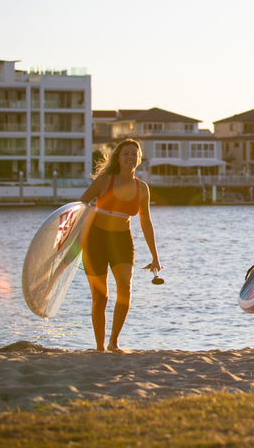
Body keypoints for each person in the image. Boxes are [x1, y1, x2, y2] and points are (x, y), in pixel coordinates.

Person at [78, 139, 161, 352]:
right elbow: (80, 206)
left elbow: (145, 222)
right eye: (126, 153)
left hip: (122, 241)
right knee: (100, 296)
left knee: (125, 289)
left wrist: (155, 256)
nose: (130, 157)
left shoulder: (142, 188)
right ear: (118, 157)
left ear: (139, 158)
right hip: (95, 240)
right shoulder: (105, 181)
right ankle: (99, 347)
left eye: (135, 154)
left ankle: (113, 342)